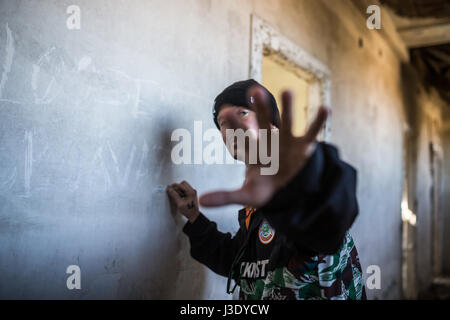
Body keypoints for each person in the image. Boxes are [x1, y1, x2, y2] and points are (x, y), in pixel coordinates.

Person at [166, 79, 366, 300]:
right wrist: (194, 218)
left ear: (271, 125)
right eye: (222, 123)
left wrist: (304, 181)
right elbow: (241, 264)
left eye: (242, 113)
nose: (228, 128)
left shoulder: (296, 191)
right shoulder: (254, 202)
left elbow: (323, 224)